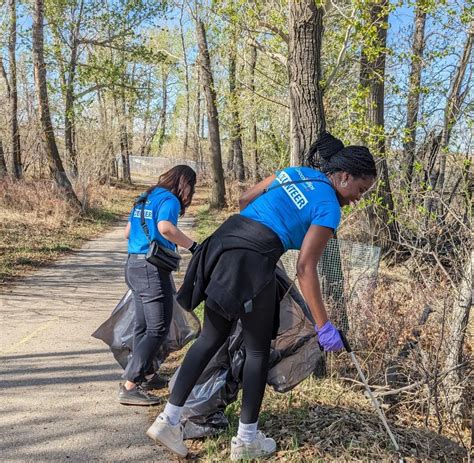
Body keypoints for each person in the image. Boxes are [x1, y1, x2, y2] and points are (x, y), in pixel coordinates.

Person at [146, 132, 377, 459]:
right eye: (360, 189)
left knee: (210, 339)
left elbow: (243, 201)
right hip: (252, 261)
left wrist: (267, 231)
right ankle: (246, 442)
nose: (358, 198)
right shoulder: (328, 207)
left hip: (223, 244)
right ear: (344, 176)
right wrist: (324, 327)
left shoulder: (294, 172)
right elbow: (306, 268)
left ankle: (167, 421)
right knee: (257, 352)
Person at [118, 165, 199, 406]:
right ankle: (130, 386)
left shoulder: (146, 197)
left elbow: (127, 232)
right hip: (151, 270)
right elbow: (165, 227)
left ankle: (146, 374)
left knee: (143, 326)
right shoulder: (170, 200)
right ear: (185, 184)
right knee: (158, 328)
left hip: (132, 265)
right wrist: (193, 246)